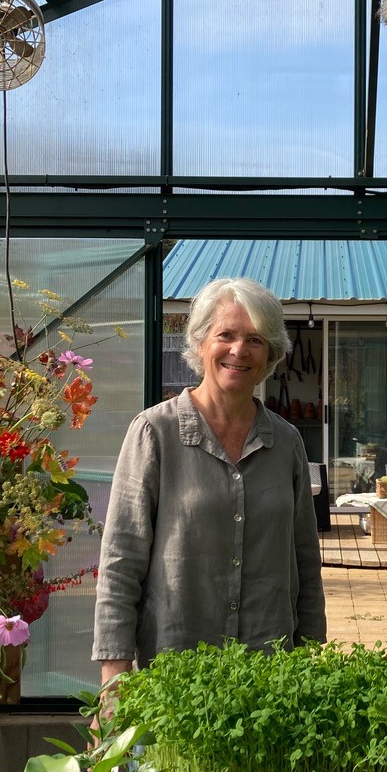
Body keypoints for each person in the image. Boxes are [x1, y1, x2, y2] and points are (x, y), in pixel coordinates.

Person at [92, 277, 327, 689]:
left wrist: (309, 664)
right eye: (226, 335)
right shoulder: (154, 433)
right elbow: (120, 561)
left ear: (271, 353)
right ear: (201, 343)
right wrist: (113, 679)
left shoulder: (287, 442)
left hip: (270, 673)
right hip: (174, 675)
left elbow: (305, 561)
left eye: (255, 339)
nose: (239, 350)